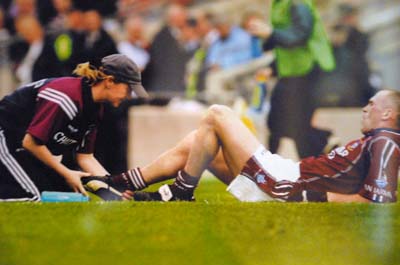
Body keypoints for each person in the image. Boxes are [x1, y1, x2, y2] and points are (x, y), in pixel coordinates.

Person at [83, 89, 400, 203]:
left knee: (218, 113)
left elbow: (376, 199)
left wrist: (312, 199)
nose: (365, 108)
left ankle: (179, 193)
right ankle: (120, 183)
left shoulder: (386, 141)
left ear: (388, 113)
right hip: (286, 180)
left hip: (286, 183)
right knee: (199, 142)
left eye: (372, 105)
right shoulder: (379, 141)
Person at [0, 54, 148, 202]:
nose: (129, 96)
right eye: (128, 89)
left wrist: (115, 189)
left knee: (70, 199)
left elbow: (85, 157)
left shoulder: (95, 109)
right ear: (109, 81)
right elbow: (31, 142)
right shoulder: (65, 98)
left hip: (24, 147)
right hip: (7, 138)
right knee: (33, 198)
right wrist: (66, 173)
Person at [248, 0, 336, 158]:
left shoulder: (298, 3)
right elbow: (285, 46)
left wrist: (270, 33)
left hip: (307, 70)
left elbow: (299, 36)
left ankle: (325, 143)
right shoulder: (279, 4)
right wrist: (273, 68)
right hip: (291, 72)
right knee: (278, 122)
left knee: (295, 127)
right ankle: (268, 167)